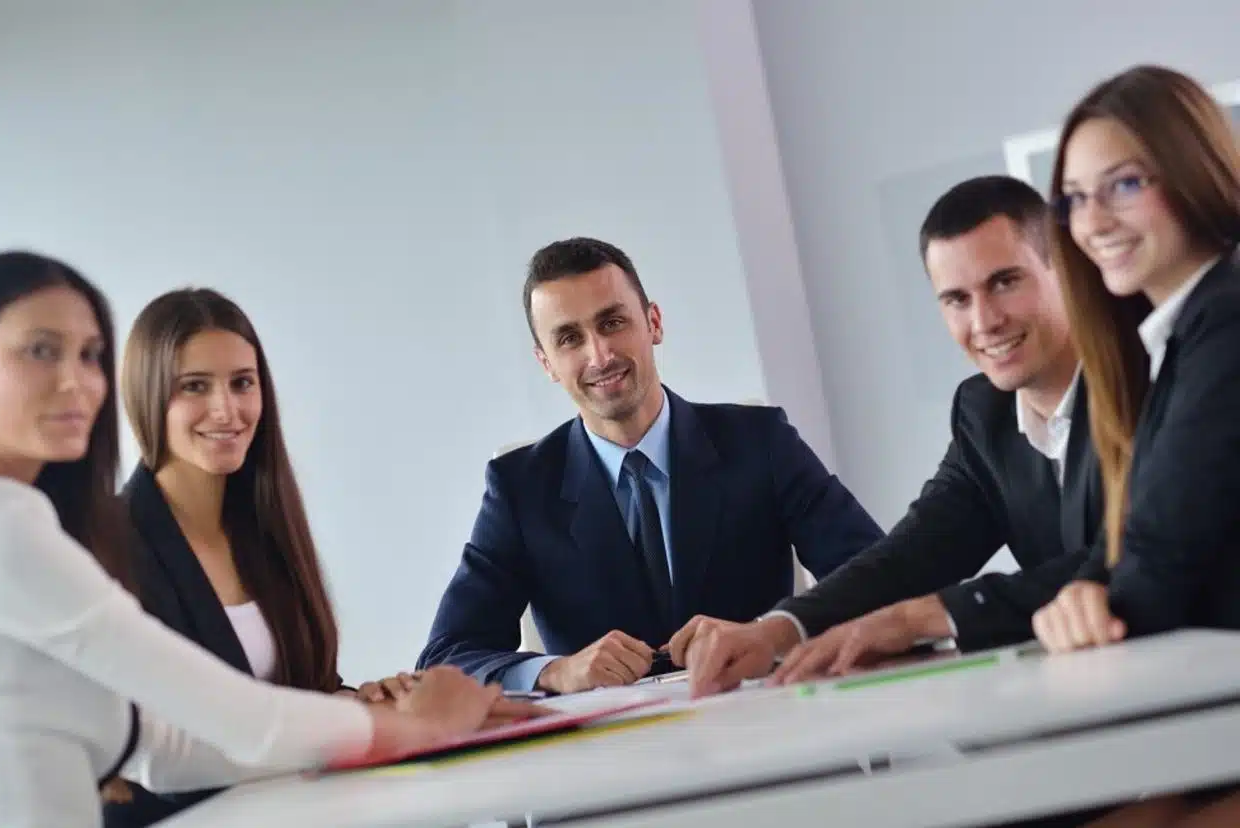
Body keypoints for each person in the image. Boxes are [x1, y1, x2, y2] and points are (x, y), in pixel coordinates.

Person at [0, 251, 538, 828]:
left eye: (90, 355)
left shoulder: (17, 522)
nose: (78, 380)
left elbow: (166, 751)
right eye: (40, 350)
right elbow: (238, 720)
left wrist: (371, 714)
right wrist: (420, 726)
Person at [672, 176, 1107, 697]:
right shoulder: (982, 410)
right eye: (956, 299)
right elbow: (915, 554)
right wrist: (778, 629)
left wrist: (922, 618)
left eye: (1004, 282)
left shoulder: (1152, 381)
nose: (984, 321)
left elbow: (1134, 553)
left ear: (1064, 266)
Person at [417, 237, 883, 694]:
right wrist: (556, 672)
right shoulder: (519, 488)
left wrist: (775, 630)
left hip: (769, 732)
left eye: (613, 322)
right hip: (618, 759)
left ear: (653, 322)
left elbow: (880, 580)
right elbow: (446, 657)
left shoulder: (759, 441)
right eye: (569, 338)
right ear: (547, 363)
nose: (599, 355)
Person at [104, 288, 416, 826]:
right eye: (195, 386)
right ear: (147, 396)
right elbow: (164, 752)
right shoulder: (111, 544)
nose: (227, 410)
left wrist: (368, 700)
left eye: (242, 384)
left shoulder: (265, 526)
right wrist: (345, 718)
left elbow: (301, 690)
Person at [1026, 63, 1240, 828]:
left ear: (1192, 172)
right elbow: (1134, 542)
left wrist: (1096, 611)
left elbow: (1166, 550)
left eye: (1123, 185)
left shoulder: (1228, 313)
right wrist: (1083, 596)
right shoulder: (1177, 335)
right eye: (1076, 198)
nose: (1093, 222)